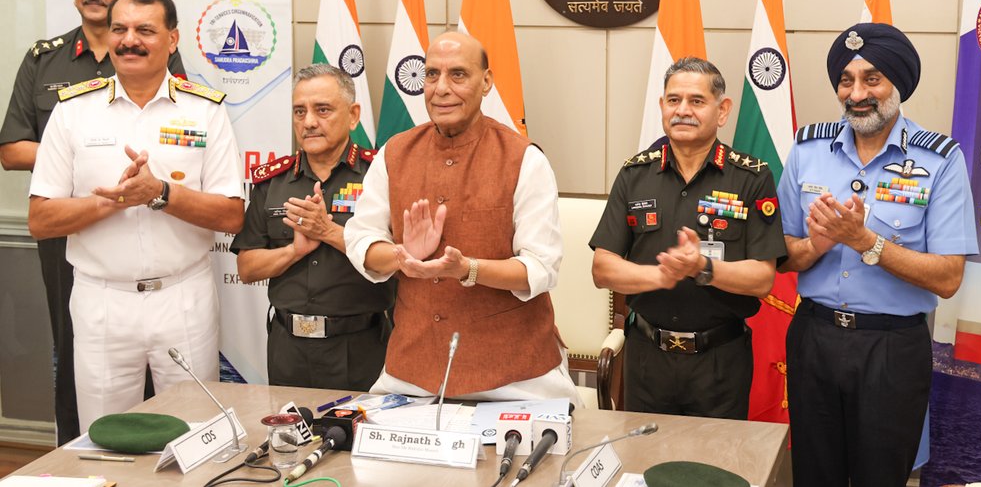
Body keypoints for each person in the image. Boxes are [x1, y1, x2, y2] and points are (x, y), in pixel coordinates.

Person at [27, 0, 243, 431]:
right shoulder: (72, 112)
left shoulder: (206, 112)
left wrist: (160, 193)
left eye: (145, 30)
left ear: (172, 39)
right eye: (120, 29)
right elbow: (40, 220)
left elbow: (230, 215)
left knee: (196, 434)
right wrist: (111, 202)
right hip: (102, 301)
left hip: (184, 298)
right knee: (105, 438)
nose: (130, 40)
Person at [778, 23, 978, 486]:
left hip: (892, 349)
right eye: (847, 80)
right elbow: (781, 257)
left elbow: (948, 278)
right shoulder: (808, 149)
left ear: (897, 85)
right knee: (813, 476)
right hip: (814, 338)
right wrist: (818, 245)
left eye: (872, 79)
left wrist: (866, 242)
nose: (858, 93)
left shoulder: (940, 161)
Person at [0, 0, 185, 443]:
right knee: (76, 348)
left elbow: (178, 132)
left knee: (153, 356)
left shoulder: (152, 51)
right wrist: (79, 155)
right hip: (67, 227)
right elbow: (12, 149)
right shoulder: (45, 58)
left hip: (150, 227)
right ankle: (74, 455)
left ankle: (153, 451)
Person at [344, 32, 577, 404]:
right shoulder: (394, 154)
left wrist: (467, 269)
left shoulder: (525, 159)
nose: (441, 89)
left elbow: (541, 268)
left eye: (458, 75)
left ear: (486, 82)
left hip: (517, 379)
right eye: (432, 75)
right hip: (411, 375)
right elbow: (360, 242)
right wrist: (405, 254)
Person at [589, 57, 785, 419]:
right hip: (647, 358)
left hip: (721, 362)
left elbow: (762, 279)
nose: (682, 110)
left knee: (714, 472)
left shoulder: (751, 179)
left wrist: (702, 267)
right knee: (643, 467)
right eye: (673, 100)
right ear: (662, 106)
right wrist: (660, 277)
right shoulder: (635, 174)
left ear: (722, 110)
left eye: (696, 101)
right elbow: (603, 269)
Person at [232, 64, 393, 391]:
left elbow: (398, 260)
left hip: (362, 345)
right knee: (291, 438)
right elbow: (247, 268)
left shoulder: (380, 178)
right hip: (288, 347)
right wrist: (294, 251)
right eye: (299, 111)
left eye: (322, 110)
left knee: (356, 439)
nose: (308, 122)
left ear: (352, 115)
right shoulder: (273, 182)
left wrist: (328, 232)